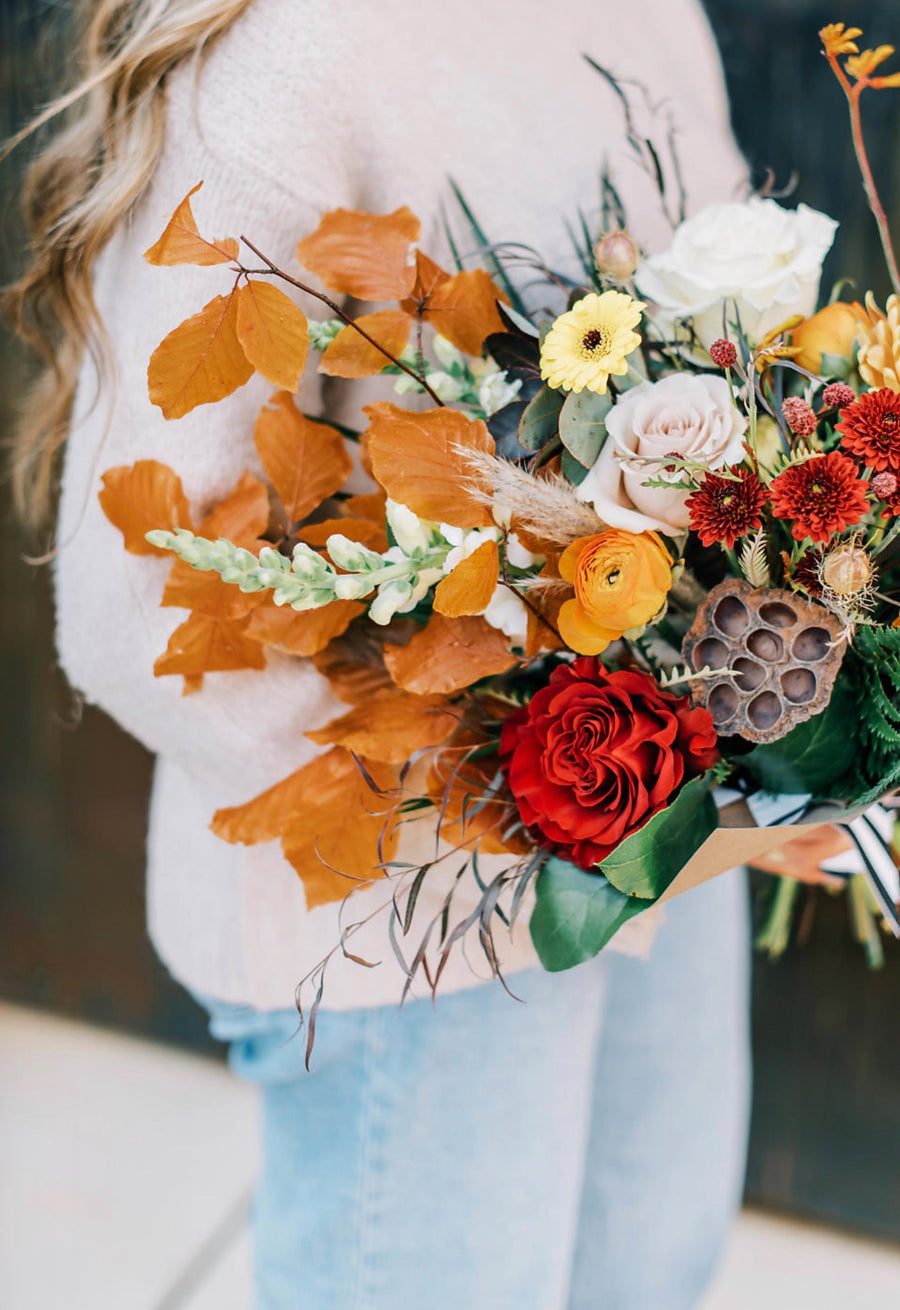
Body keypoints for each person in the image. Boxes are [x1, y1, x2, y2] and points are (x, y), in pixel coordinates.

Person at [6, 2, 751, 1306]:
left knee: (651, 1262)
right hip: (410, 914)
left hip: (666, 825)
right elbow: (139, 603)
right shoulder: (291, 66)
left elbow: (744, 351)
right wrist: (535, 804)